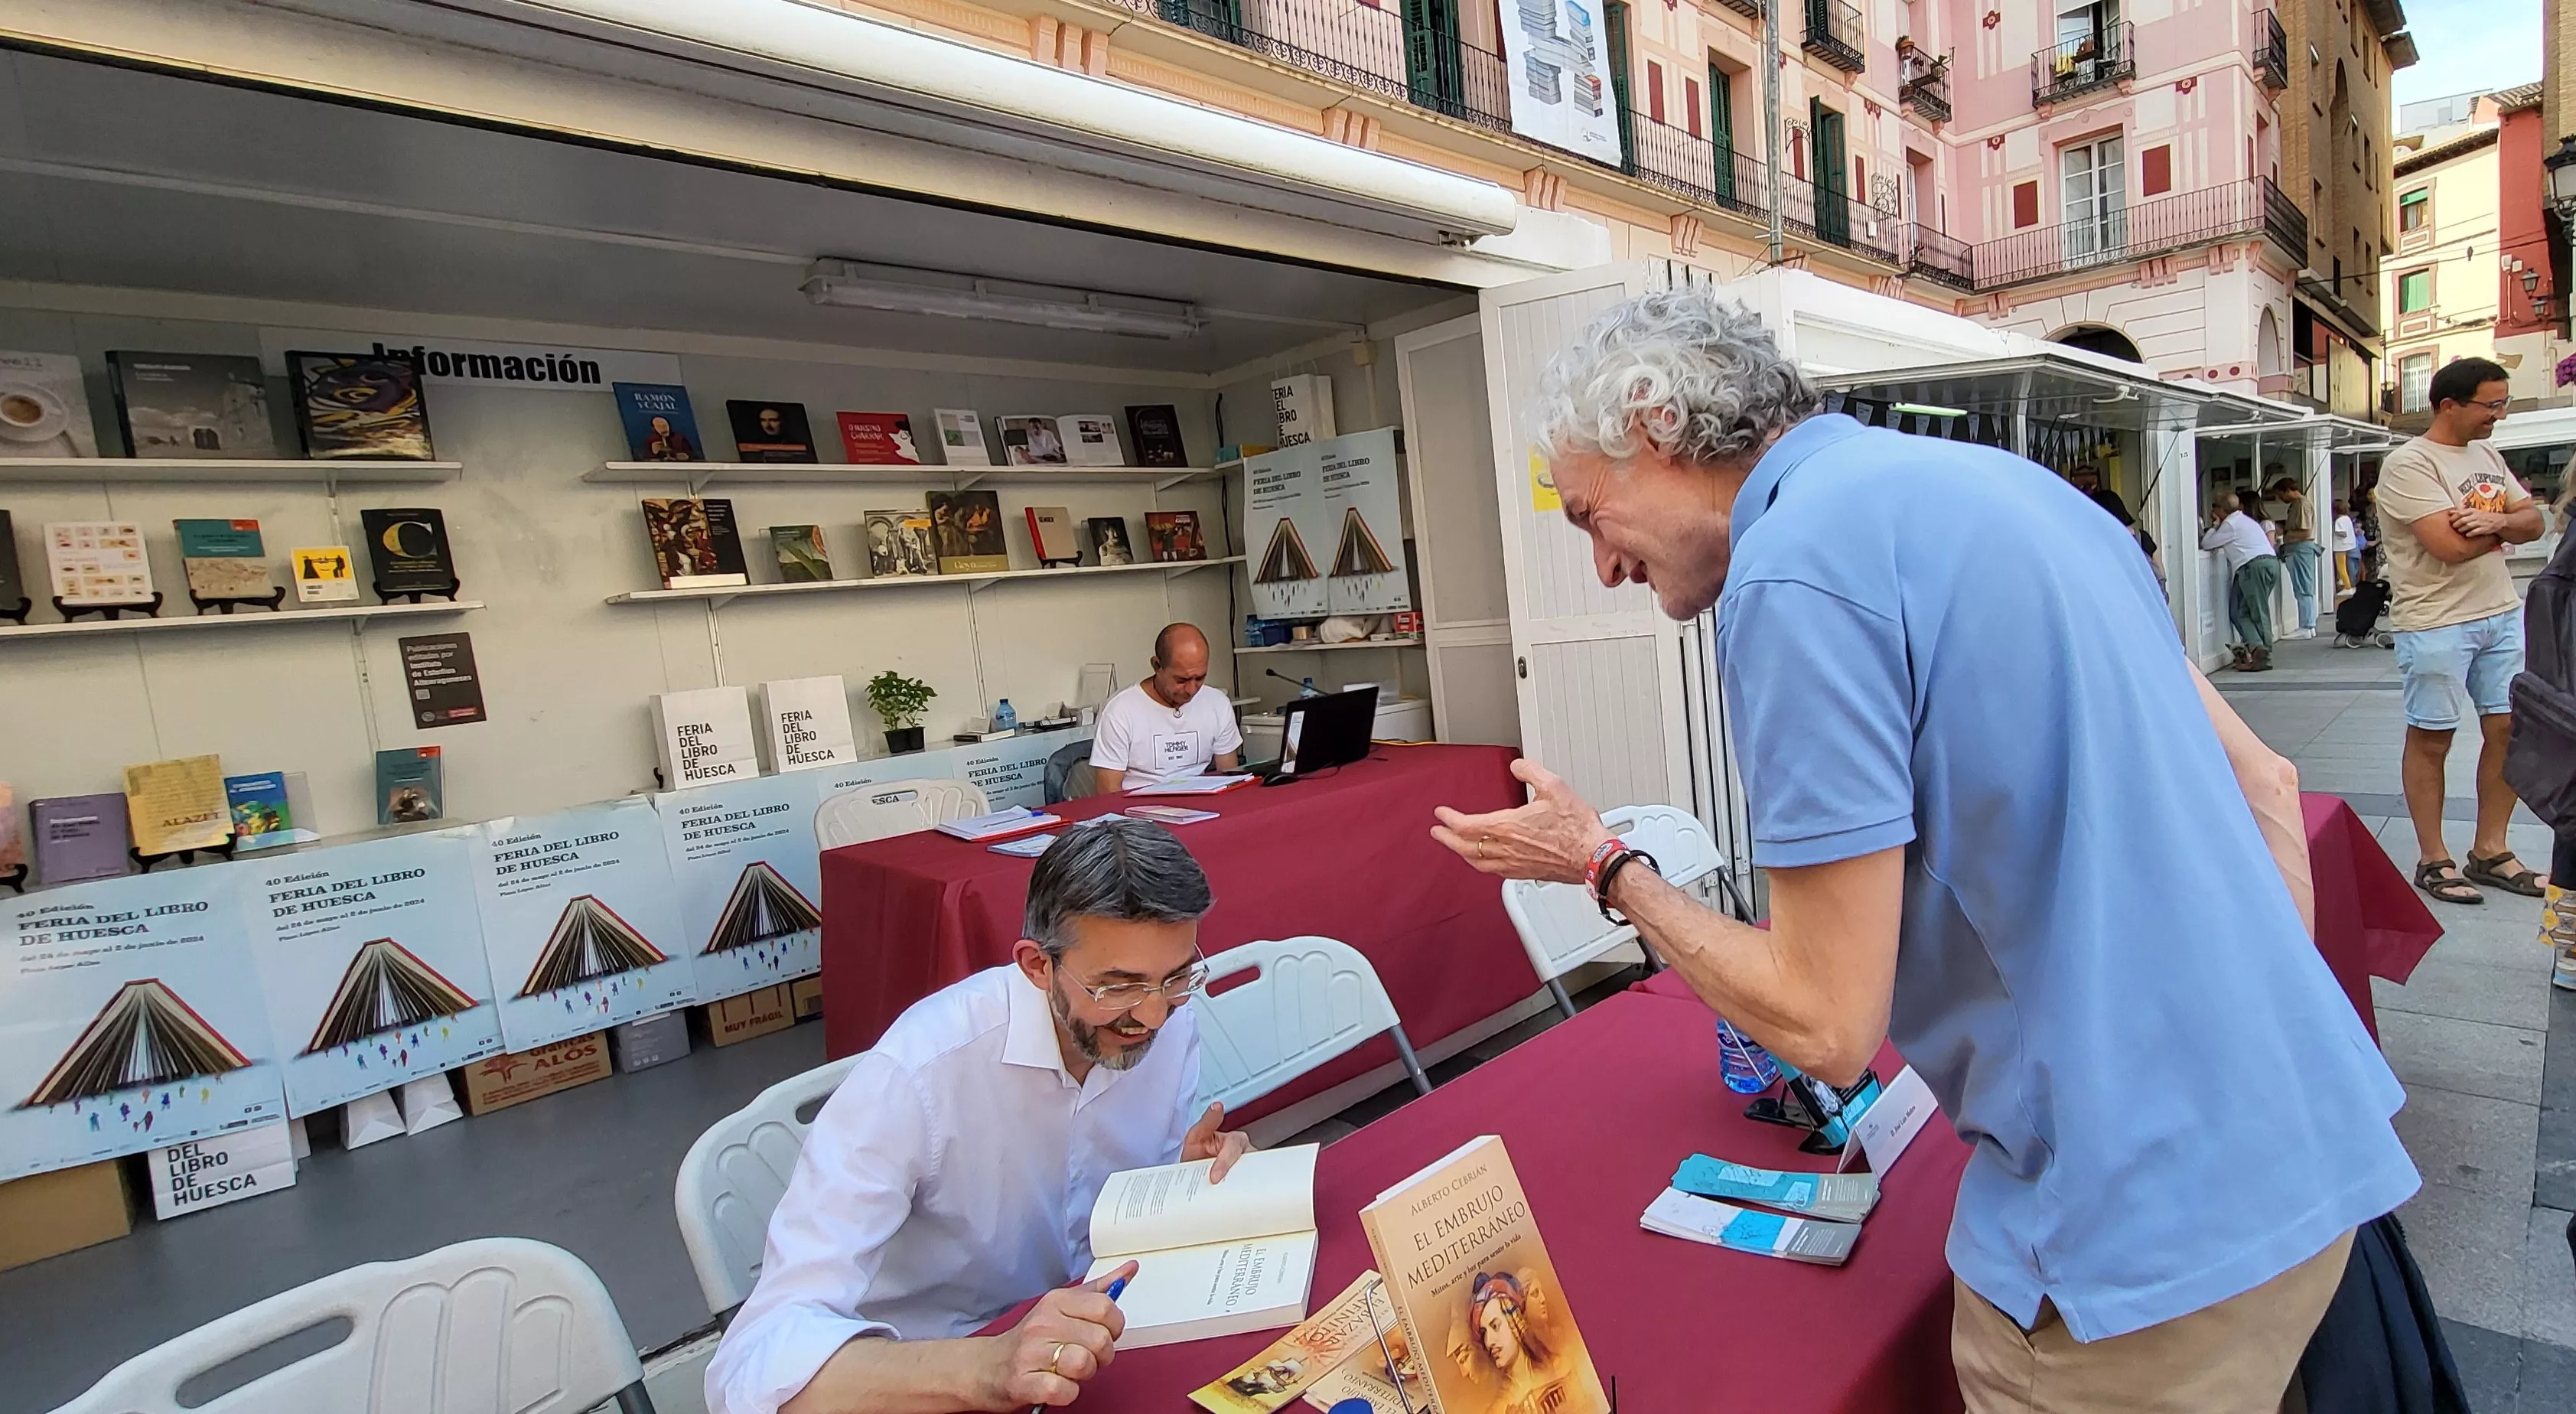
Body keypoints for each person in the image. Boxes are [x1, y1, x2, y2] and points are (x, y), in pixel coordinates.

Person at [1431, 290, 2415, 1413]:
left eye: (1584, 515)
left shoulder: (1791, 568)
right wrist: (2226, 1064)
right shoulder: (2026, 492)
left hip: (2125, 1246)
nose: (1599, 565)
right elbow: (2267, 785)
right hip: (2300, 1146)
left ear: (1653, 423)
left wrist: (1603, 867)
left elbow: (1822, 1025)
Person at [705, 821, 1250, 1414]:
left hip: (1083, 1350)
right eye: (1116, 987)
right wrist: (987, 1366)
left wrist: (1176, 1180)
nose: (1150, 1016)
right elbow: (749, 1366)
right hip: (930, 1372)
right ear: (1036, 966)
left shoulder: (1172, 1024)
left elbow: (1107, 1211)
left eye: (1173, 978)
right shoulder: (920, 1073)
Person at [2376, 357, 2548, 905]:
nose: (2497, 415)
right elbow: (2446, 548)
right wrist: (2509, 531)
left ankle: (2489, 850)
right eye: (2489, 405)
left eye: (2502, 403)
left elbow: (2535, 520)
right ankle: (2433, 859)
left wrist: (2495, 523)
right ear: (2448, 404)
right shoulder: (2408, 465)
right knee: (2432, 738)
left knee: (2509, 731)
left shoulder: (2488, 455)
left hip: (2498, 612)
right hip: (2435, 621)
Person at [1089, 623, 1243, 792]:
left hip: (1203, 805)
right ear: (1157, 666)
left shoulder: (1217, 703)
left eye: (1200, 678)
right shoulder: (1120, 711)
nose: (1191, 690)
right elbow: (1108, 793)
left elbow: (1230, 778)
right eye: (1181, 680)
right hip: (1140, 810)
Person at [2202, 491, 2282, 671]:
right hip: (2269, 563)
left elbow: (2207, 544)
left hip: (2253, 567)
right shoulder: (2245, 520)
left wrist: (2215, 526)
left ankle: (2264, 654)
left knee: (2255, 611)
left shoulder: (2229, 525)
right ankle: (2257, 646)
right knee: (2244, 611)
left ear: (2221, 510)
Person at [2271, 472, 2322, 633]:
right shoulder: (2298, 504)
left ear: (2288, 490)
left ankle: (2306, 625)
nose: (2280, 499)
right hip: (2298, 550)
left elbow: (2305, 532)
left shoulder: (2301, 504)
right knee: (2303, 587)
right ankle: (2308, 623)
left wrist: (2286, 534)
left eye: (2280, 495)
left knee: (2303, 587)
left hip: (2300, 549)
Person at [2332, 498, 2359, 592]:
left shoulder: (2339, 521)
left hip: (2340, 547)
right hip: (2349, 545)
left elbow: (2343, 533)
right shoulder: (2348, 519)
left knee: (2341, 568)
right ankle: (2346, 583)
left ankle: (2347, 586)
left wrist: (2334, 531)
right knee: (2348, 566)